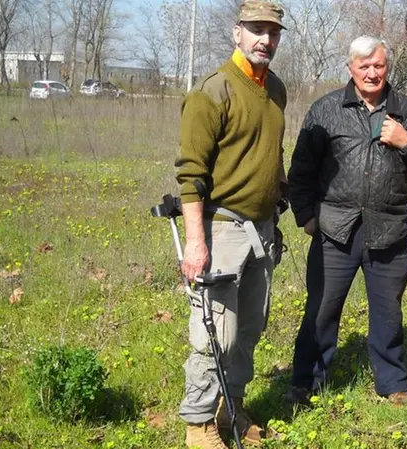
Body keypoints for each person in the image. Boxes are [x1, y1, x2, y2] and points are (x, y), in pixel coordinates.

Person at [285, 35, 407, 407]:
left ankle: (392, 382)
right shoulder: (326, 109)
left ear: (387, 68)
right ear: (350, 69)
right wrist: (306, 216)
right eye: (364, 66)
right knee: (321, 308)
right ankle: (306, 381)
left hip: (388, 229)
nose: (372, 73)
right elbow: (302, 168)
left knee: (388, 311)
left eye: (379, 66)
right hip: (334, 230)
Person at [173, 1, 288, 448]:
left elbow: (268, 152)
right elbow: (190, 176)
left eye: (273, 32)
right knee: (213, 334)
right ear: (236, 33)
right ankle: (198, 424)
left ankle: (230, 408)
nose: (266, 39)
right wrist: (195, 243)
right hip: (220, 228)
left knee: (248, 331)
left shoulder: (275, 89)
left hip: (260, 231)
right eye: (257, 30)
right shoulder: (213, 91)